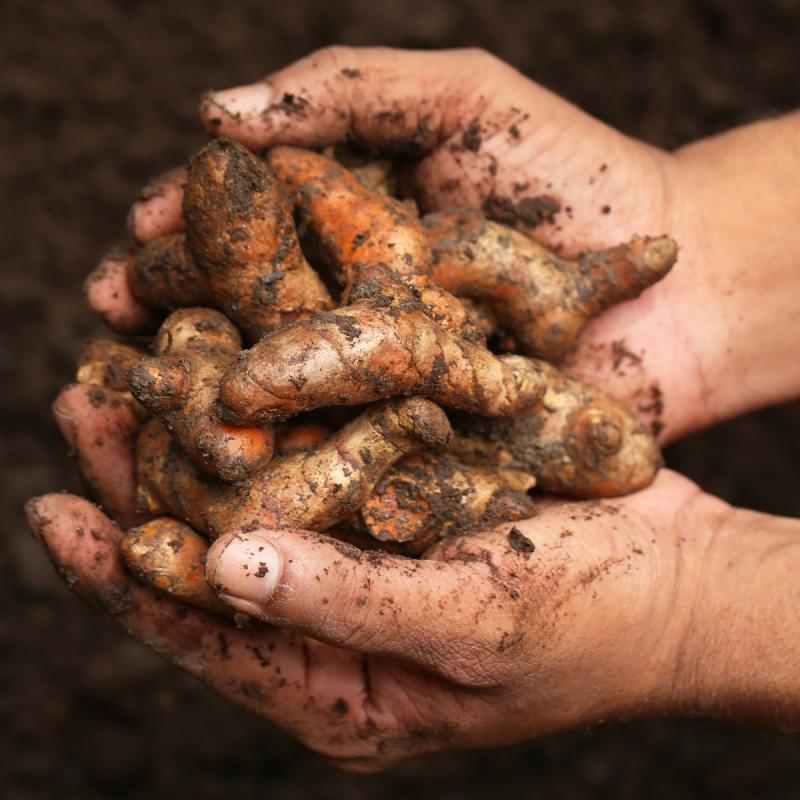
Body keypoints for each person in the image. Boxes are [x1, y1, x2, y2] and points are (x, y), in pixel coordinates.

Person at [26, 48, 800, 773]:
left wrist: (680, 620)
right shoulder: (290, 351)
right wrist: (694, 215)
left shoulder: (422, 332)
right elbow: (241, 420)